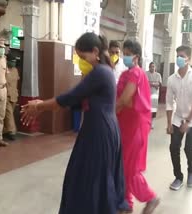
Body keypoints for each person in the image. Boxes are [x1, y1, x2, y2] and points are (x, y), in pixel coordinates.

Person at [21, 32, 128, 214]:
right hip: (98, 128)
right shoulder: (101, 71)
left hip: (99, 131)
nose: (81, 61)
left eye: (83, 57)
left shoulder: (100, 72)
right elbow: (73, 100)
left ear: (95, 52)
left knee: (91, 179)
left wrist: (39, 105)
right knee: (86, 177)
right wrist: (48, 106)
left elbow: (70, 97)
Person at [116, 40, 159, 214]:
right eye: (123, 53)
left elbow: (126, 99)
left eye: (127, 53)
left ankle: (150, 197)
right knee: (122, 166)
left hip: (135, 127)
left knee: (130, 168)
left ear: (136, 57)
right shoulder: (126, 73)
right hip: (125, 126)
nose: (124, 56)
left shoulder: (136, 73)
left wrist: (109, 113)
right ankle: (126, 203)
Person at [166, 46, 192, 191]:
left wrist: (188, 121)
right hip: (177, 118)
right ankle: (178, 176)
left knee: (189, 149)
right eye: (177, 56)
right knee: (173, 147)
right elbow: (169, 102)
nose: (179, 59)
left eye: (182, 56)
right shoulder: (171, 79)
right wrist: (169, 123)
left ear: (189, 59)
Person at [3, 54, 20, 141]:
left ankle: (4, 131)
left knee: (8, 114)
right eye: (12, 61)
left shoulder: (15, 70)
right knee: (9, 114)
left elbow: (16, 82)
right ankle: (12, 131)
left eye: (14, 62)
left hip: (14, 95)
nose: (13, 63)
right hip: (6, 95)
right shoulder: (3, 69)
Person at [146, 62, 162, 129]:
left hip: (155, 95)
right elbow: (146, 83)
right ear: (149, 67)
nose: (152, 68)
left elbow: (159, 84)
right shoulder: (146, 73)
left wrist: (151, 83)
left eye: (153, 66)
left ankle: (151, 123)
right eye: (151, 66)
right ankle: (147, 122)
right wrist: (154, 84)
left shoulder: (158, 75)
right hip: (147, 94)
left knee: (153, 110)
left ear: (155, 68)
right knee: (147, 109)